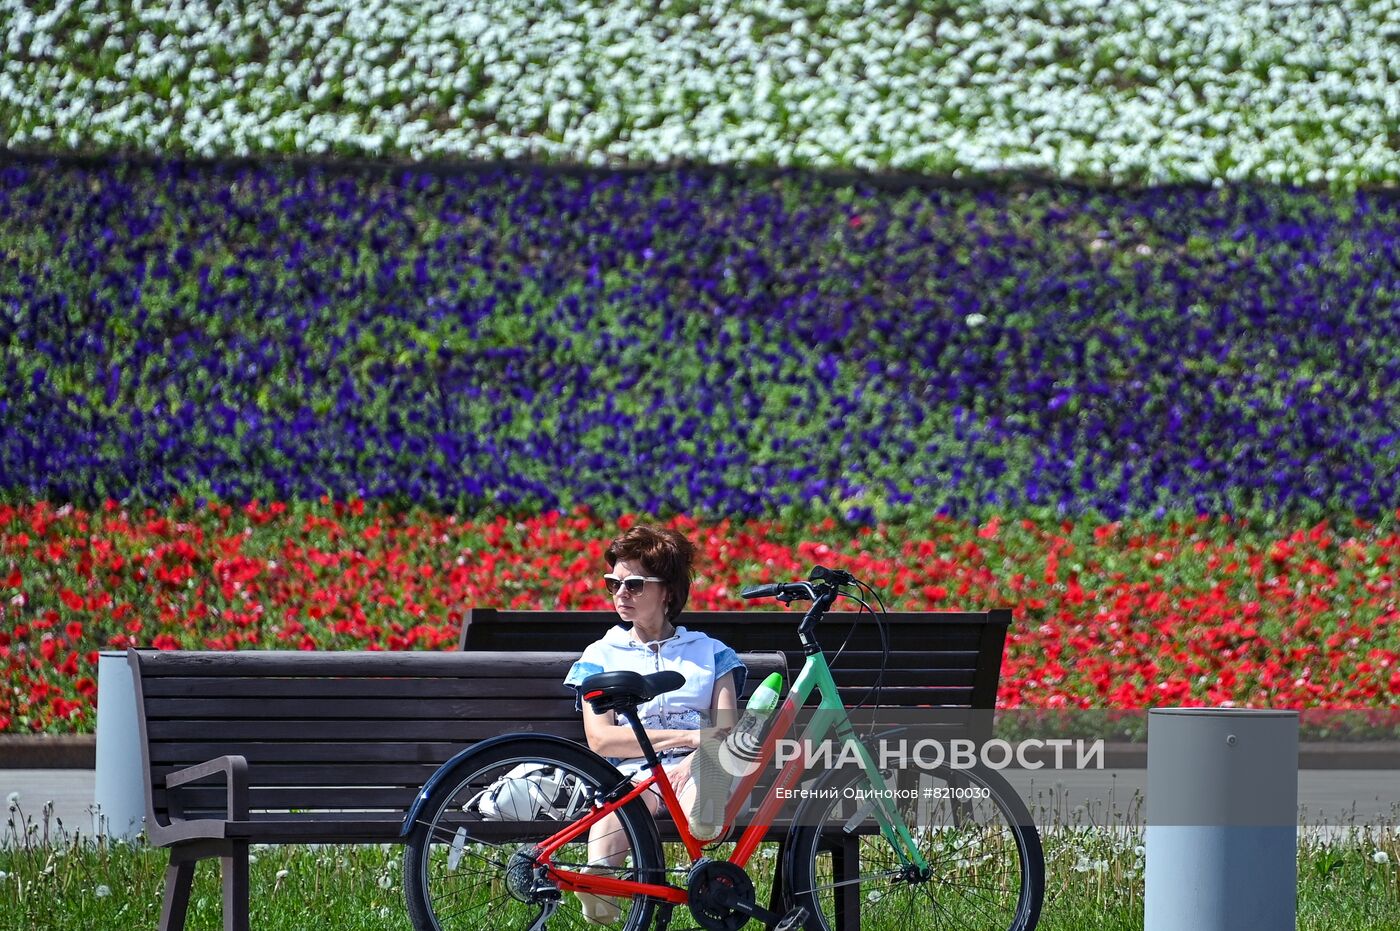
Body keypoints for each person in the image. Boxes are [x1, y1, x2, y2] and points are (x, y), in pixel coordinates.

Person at [563, 525, 746, 924]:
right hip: (634, 768)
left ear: (667, 591)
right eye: (614, 583)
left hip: (700, 761)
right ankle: (599, 880)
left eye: (634, 584)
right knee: (626, 797)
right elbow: (602, 740)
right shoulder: (601, 654)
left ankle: (703, 805)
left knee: (708, 771)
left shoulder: (711, 652)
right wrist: (681, 738)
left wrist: (693, 754)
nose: (620, 593)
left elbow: (727, 730)